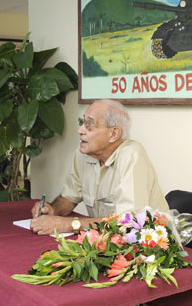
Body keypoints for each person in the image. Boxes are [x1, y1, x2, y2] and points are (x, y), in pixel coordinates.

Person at [30, 99, 168, 235]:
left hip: (152, 244)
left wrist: (68, 224)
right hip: (106, 241)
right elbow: (70, 197)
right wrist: (53, 210)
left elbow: (128, 223)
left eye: (89, 125)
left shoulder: (132, 156)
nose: (80, 130)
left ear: (113, 134)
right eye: (82, 123)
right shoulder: (82, 154)